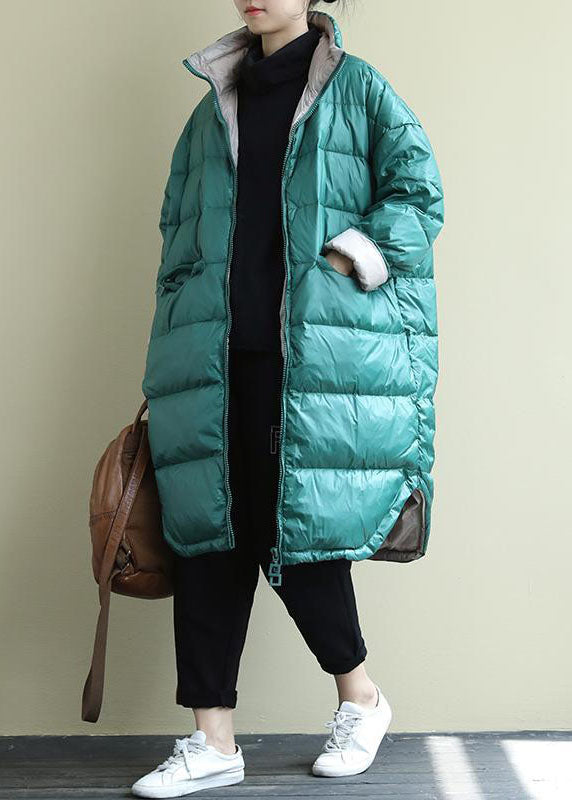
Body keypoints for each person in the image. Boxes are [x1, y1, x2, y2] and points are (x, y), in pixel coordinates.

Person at [133, 0, 444, 796]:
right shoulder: (212, 109)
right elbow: (178, 238)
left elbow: (419, 194)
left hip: (306, 359)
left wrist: (349, 257)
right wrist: (173, 346)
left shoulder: (359, 89)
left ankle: (360, 698)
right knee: (207, 537)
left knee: (293, 533)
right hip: (214, 355)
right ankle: (213, 741)